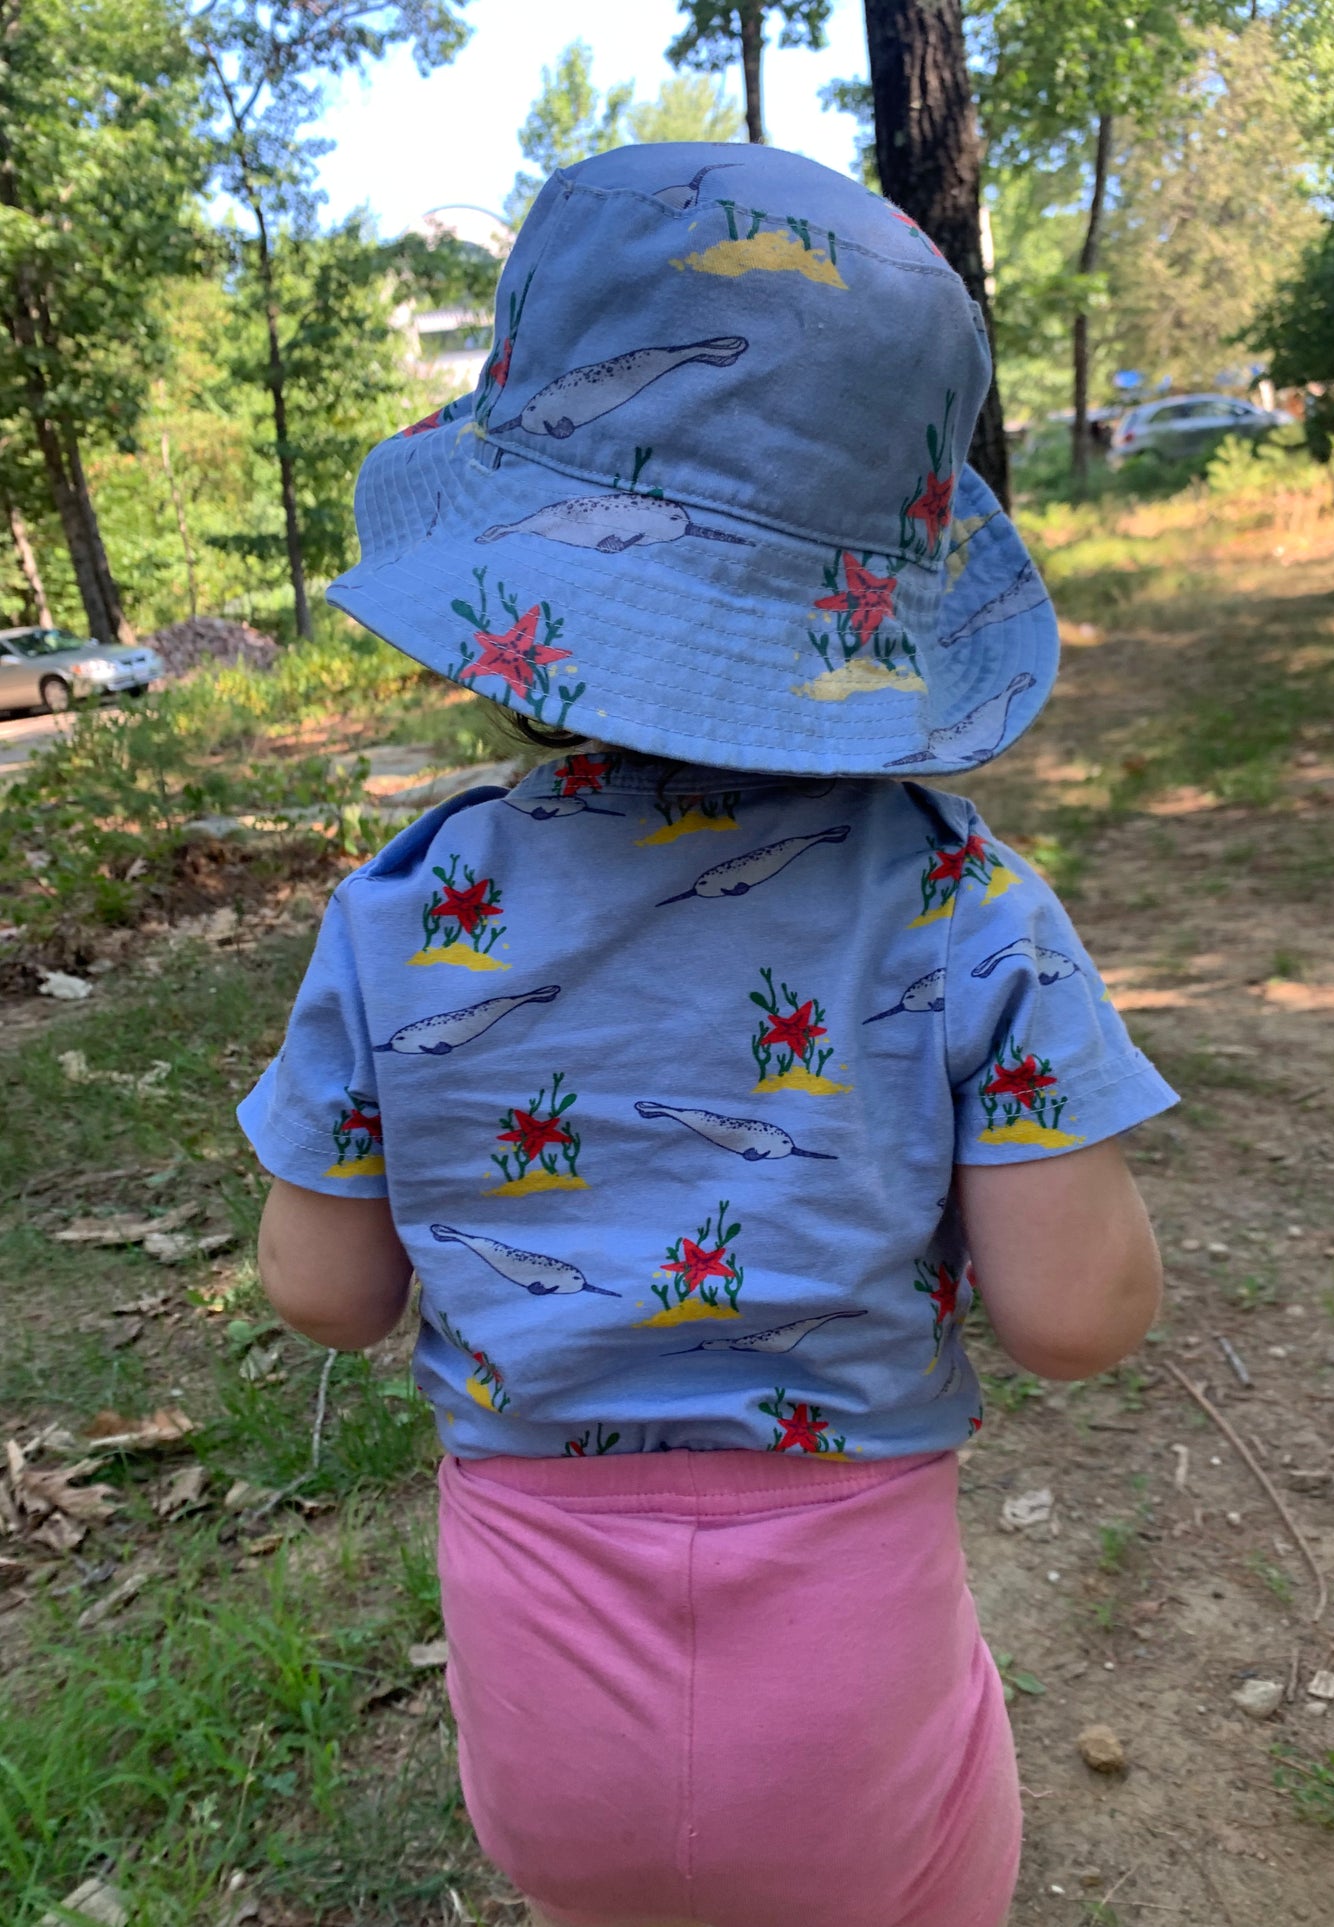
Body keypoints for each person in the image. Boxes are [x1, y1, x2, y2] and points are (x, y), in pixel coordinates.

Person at [240, 142, 1175, 1927]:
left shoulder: (402, 904)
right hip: (855, 1664)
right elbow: (1073, 1319)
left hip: (536, 1670)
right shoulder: (967, 909)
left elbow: (326, 1290)